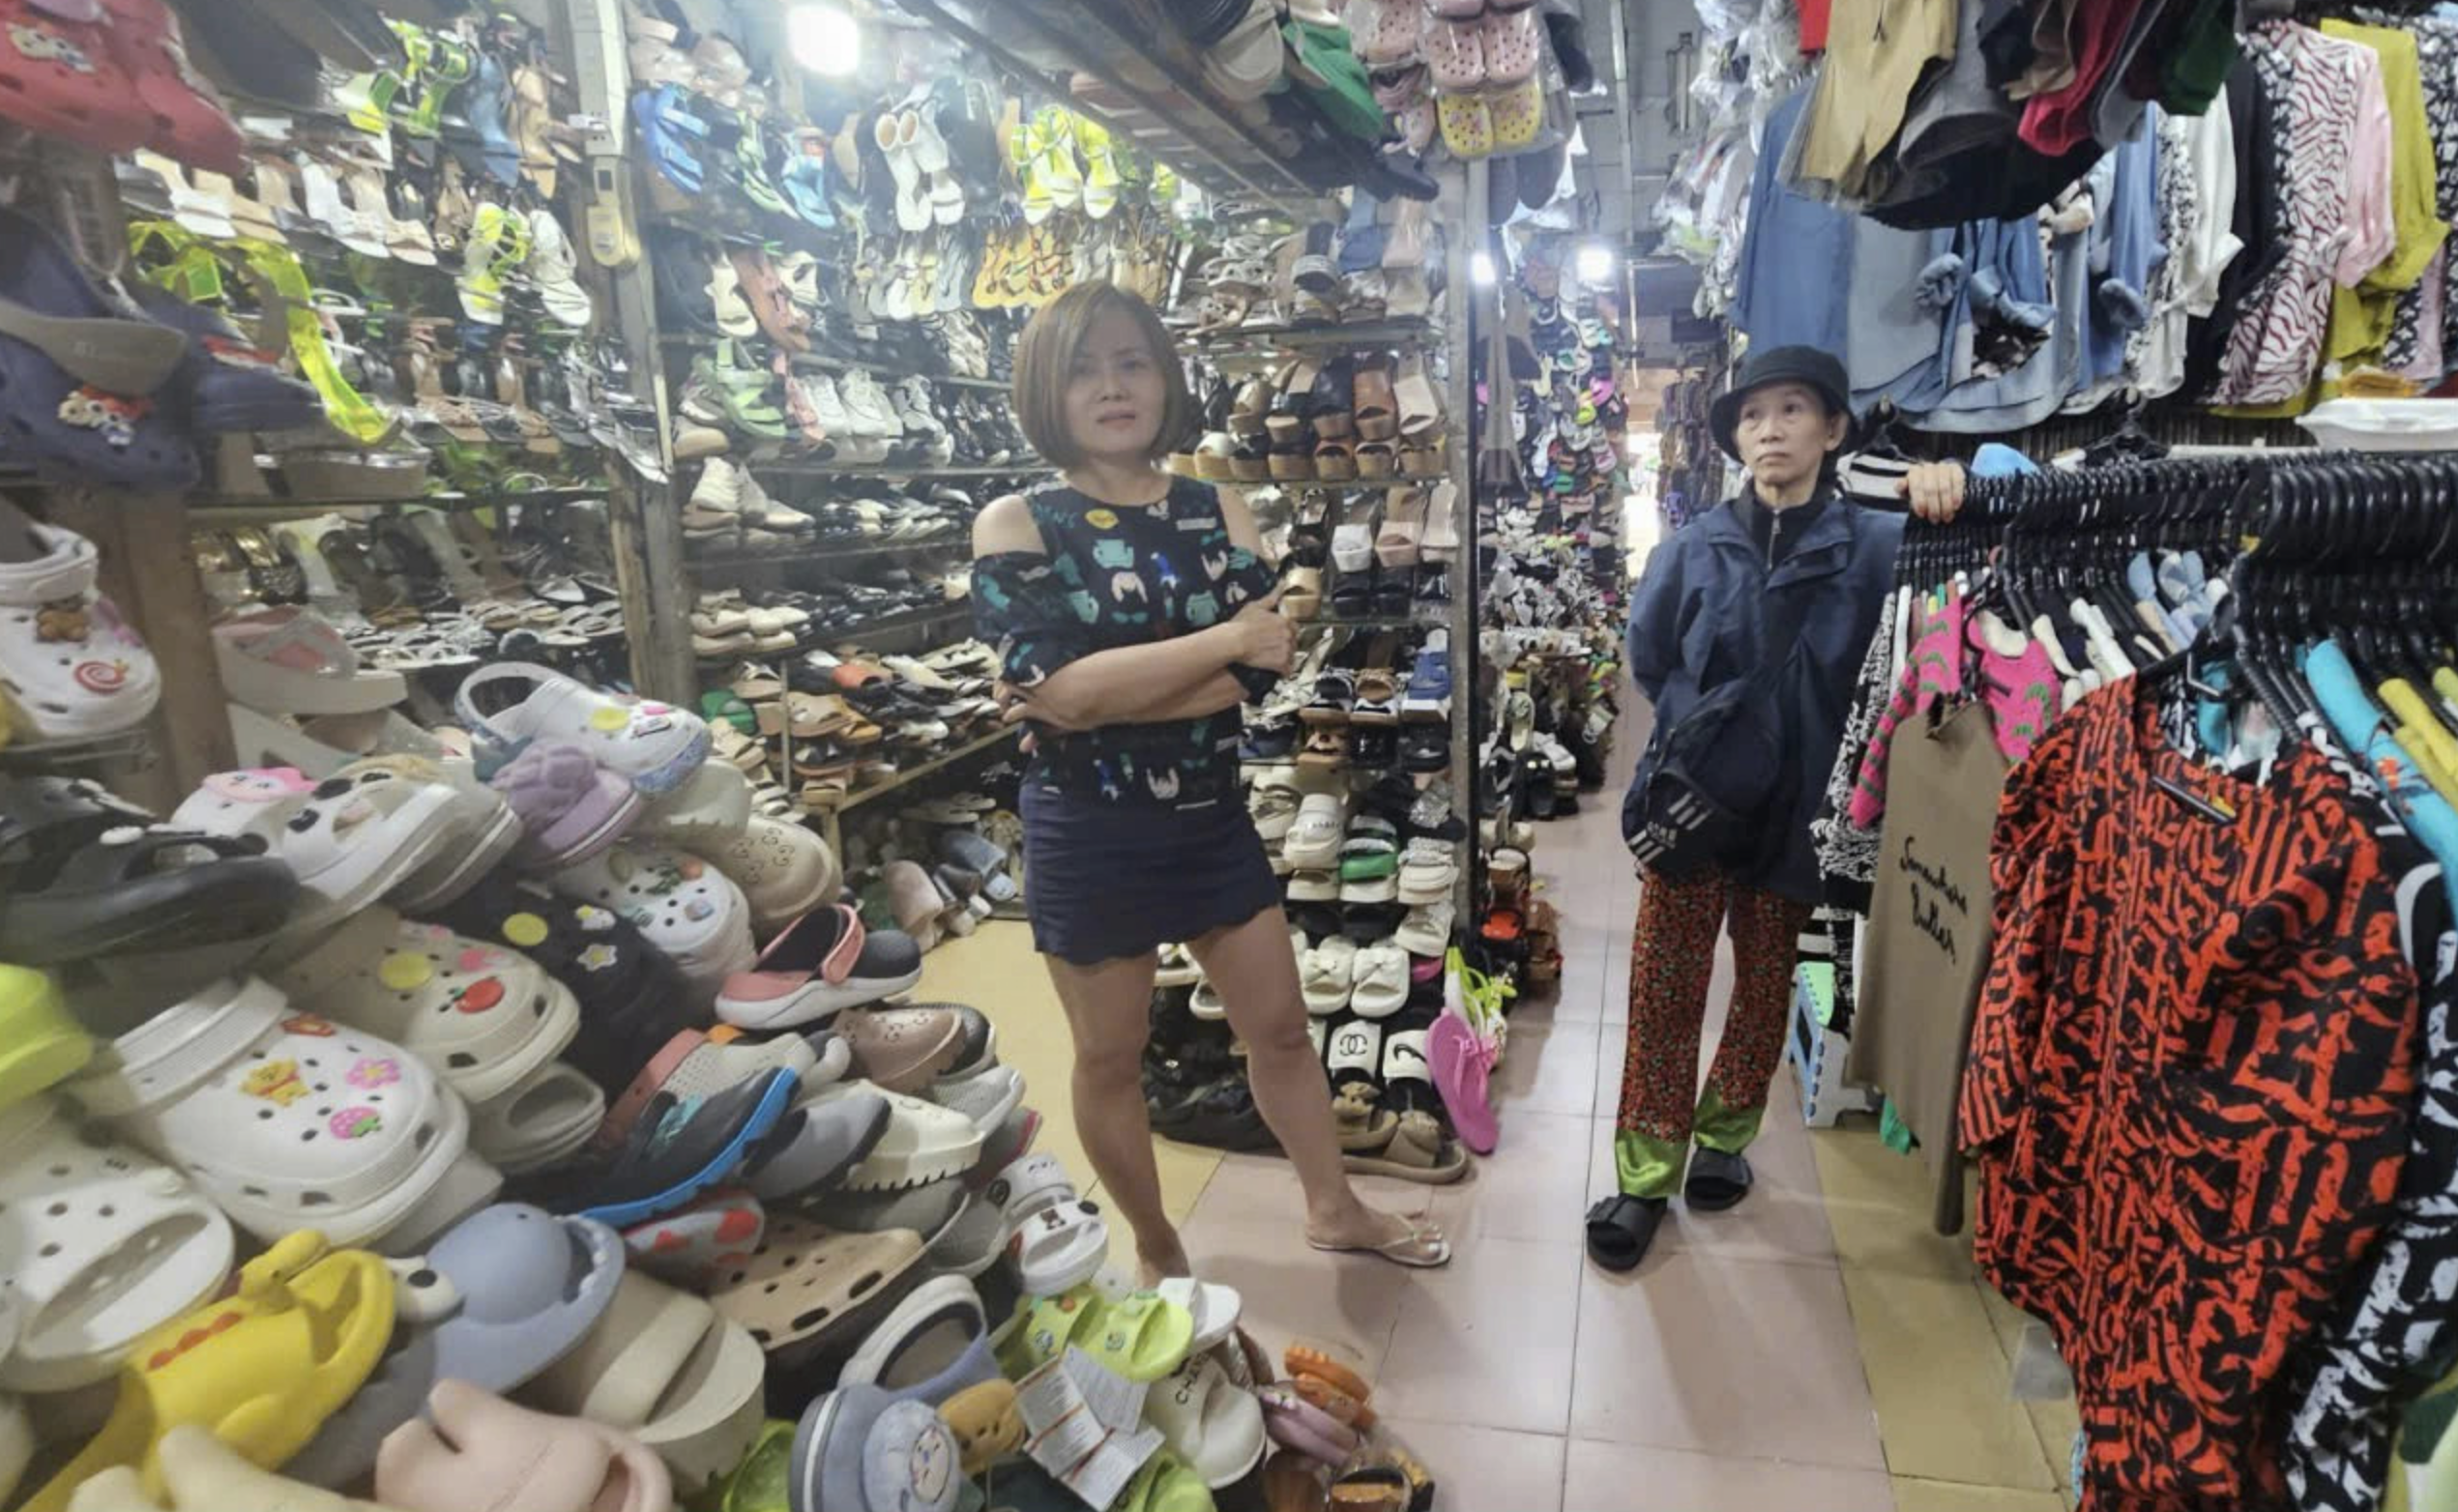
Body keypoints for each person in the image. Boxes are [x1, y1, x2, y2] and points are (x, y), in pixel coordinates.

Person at [970, 281, 1448, 1280]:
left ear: (1165, 376)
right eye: (1083, 367)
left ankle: (1333, 1204)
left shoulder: (1214, 502)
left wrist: (1096, 689)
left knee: (1277, 1027)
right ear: (1044, 390)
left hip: (1208, 817)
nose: (1112, 387)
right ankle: (1157, 1243)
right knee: (1110, 1056)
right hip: (1086, 830)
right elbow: (1056, 693)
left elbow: (1256, 661)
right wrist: (1200, 647)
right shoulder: (1017, 521)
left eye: (1132, 361)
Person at [1586, 344, 1966, 1272]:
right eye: (1754, 416)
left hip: (1802, 815)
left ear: (1834, 430)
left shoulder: (1880, 546)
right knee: (1665, 990)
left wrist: (1963, 476)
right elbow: (1651, 662)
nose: (1770, 430)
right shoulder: (1692, 548)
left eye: (1793, 410)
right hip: (1697, 808)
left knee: (1764, 992)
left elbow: (1943, 608)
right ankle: (1643, 1176)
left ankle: (1723, 1140)